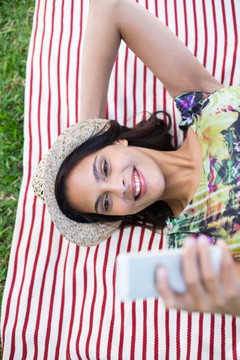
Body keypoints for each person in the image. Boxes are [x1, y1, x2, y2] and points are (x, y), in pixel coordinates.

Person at [32, 0, 240, 316]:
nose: (119, 188)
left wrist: (89, 131)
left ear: (117, 141)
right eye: (105, 203)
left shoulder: (200, 105)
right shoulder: (191, 243)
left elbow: (110, 8)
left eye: (104, 168)